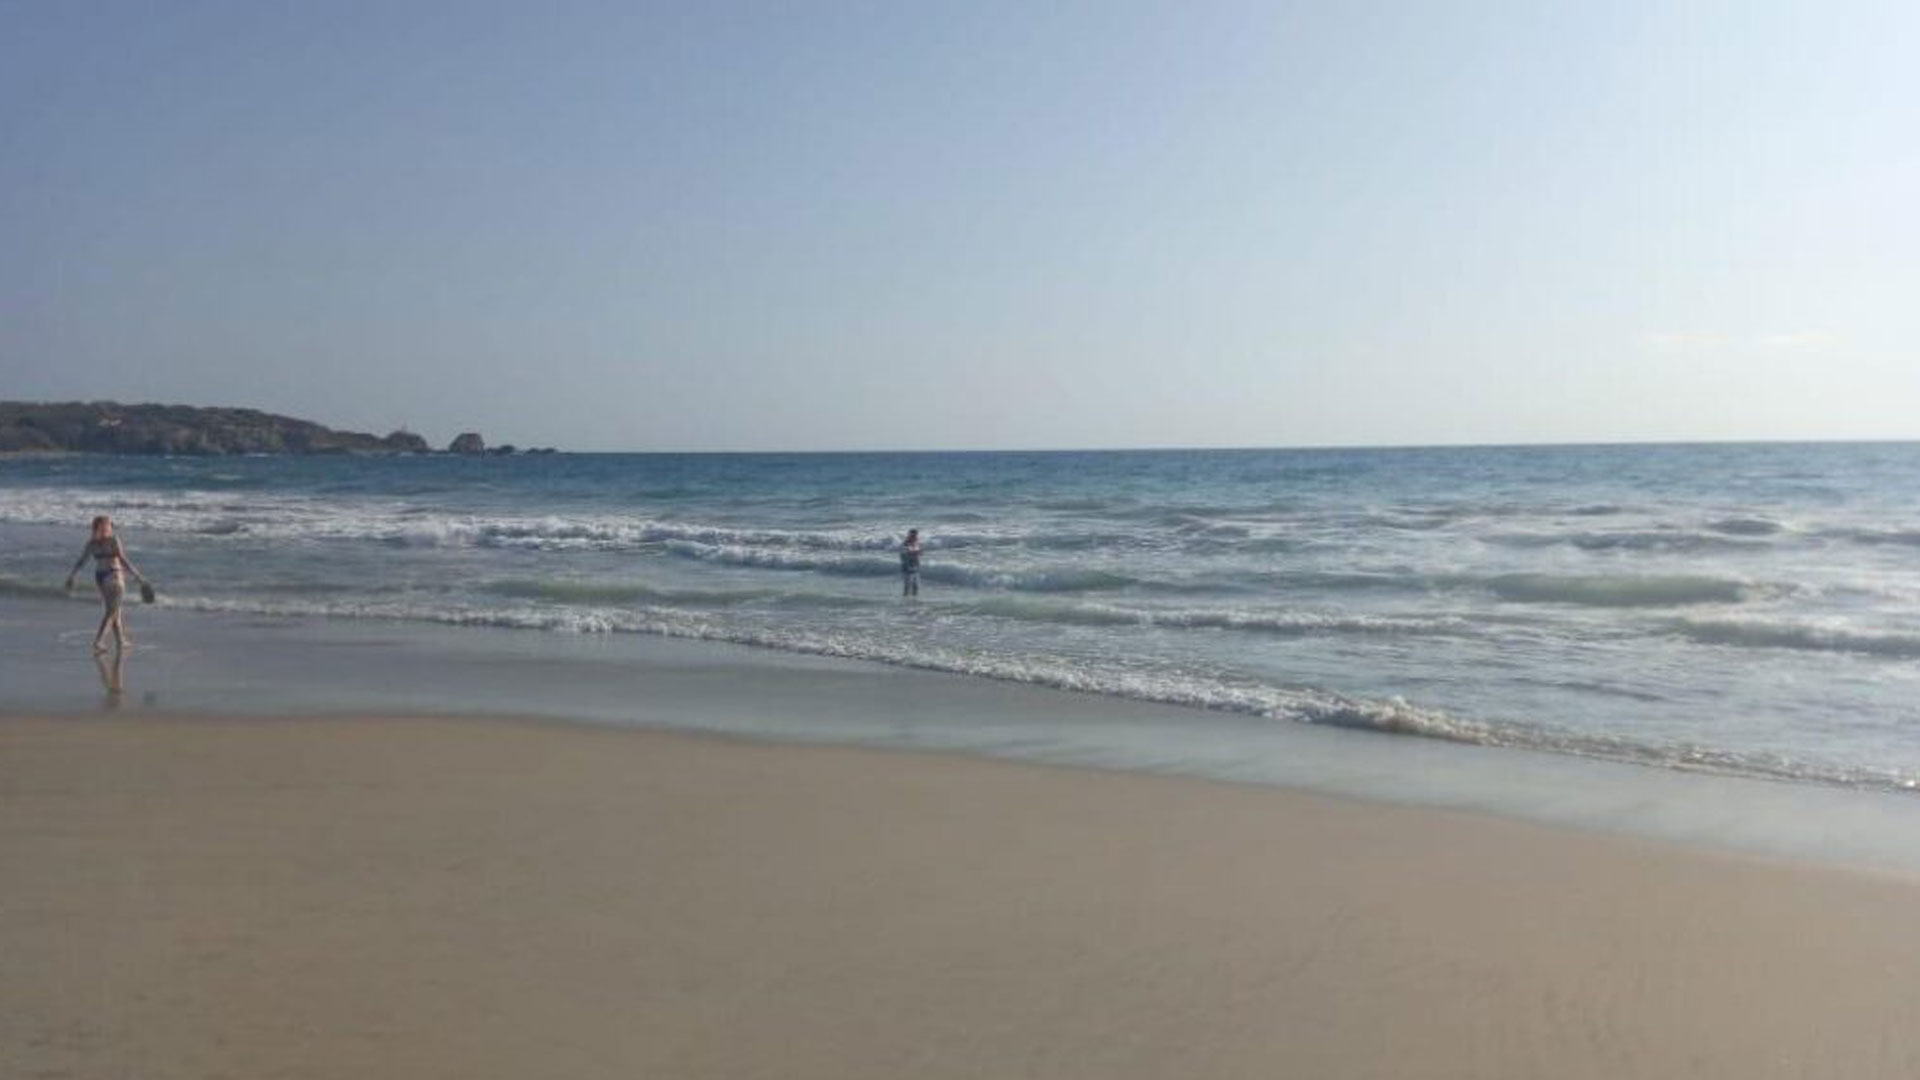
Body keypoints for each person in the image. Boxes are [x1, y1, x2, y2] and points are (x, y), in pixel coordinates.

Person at [65, 515, 150, 654]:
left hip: (100, 577)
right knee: (112, 611)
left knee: (115, 609)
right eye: (109, 524)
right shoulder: (113, 540)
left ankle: (120, 641)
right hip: (114, 575)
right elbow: (123, 560)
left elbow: (82, 561)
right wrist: (138, 576)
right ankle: (99, 641)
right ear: (105, 526)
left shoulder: (91, 543)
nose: (111, 526)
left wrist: (72, 576)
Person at [900, 528, 922, 598]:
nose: (914, 537)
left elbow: (920, 553)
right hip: (907, 567)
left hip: (915, 567)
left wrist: (918, 552)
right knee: (907, 586)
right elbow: (904, 554)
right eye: (912, 535)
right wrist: (914, 553)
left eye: (915, 535)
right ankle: (905, 600)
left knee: (916, 586)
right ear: (909, 535)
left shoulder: (916, 543)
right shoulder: (906, 544)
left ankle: (914, 599)